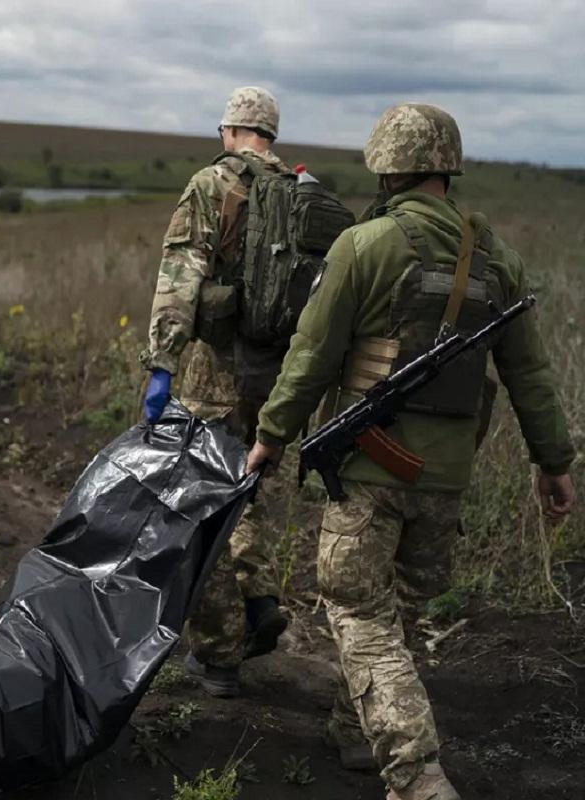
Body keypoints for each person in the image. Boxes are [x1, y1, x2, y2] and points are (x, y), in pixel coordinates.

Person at [247, 103, 576, 800]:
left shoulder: (365, 245)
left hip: (372, 466)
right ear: (447, 168)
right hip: (445, 479)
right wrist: (555, 463)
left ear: (387, 166)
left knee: (357, 612)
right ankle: (355, 733)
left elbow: (311, 356)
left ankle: (417, 777)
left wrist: (271, 436)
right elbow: (531, 377)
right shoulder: (499, 259)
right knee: (397, 614)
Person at [141, 86, 303, 696]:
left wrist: (161, 363)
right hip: (281, 375)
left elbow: (180, 275)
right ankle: (258, 601)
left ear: (229, 129)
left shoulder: (212, 184)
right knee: (250, 491)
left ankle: (218, 652)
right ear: (271, 135)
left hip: (217, 375)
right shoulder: (300, 193)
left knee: (198, 501)